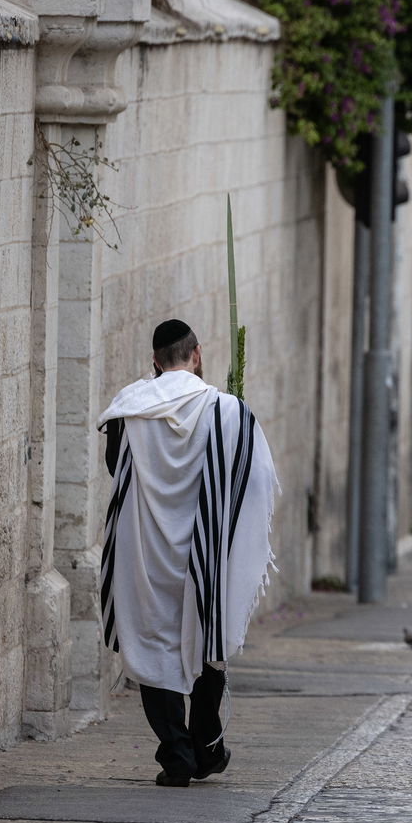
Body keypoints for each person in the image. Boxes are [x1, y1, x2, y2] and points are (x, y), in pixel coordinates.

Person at [97, 320, 279, 787]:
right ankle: (206, 747)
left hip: (146, 551)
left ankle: (177, 754)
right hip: (205, 552)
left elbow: (115, 466)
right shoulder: (229, 410)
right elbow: (254, 481)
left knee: (152, 642)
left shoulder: (131, 409)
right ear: (197, 354)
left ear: (155, 362)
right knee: (205, 637)